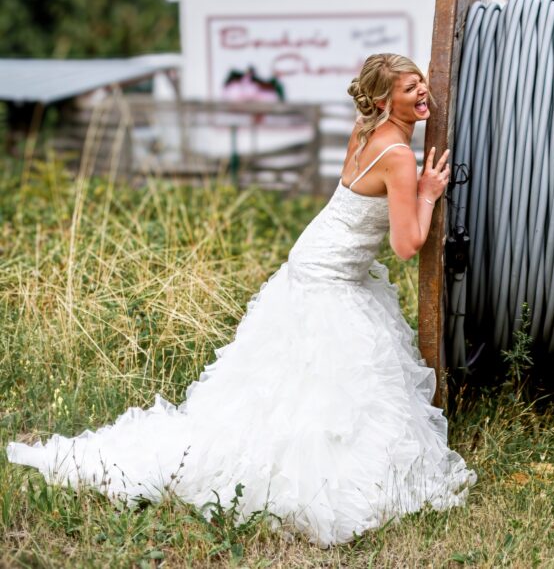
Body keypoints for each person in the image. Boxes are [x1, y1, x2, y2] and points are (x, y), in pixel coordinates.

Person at [6, 53, 476, 547]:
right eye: (409, 88)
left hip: (314, 259)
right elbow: (406, 245)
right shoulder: (400, 156)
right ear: (384, 101)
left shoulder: (364, 131)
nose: (424, 90)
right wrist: (427, 192)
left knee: (298, 379)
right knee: (335, 380)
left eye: (421, 81)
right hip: (329, 275)